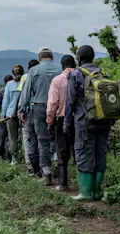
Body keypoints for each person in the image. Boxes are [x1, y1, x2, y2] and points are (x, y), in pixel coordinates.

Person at [65, 45, 114, 201]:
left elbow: (70, 101)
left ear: (78, 57)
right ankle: (97, 191)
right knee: (100, 153)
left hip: (84, 122)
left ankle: (85, 193)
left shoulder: (76, 74)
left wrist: (66, 121)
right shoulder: (102, 74)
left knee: (84, 153)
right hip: (104, 120)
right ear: (93, 57)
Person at [20, 48, 62, 185]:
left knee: (42, 140)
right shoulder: (60, 69)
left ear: (39, 58)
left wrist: (23, 110)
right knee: (57, 137)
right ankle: (58, 162)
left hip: (40, 106)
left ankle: (47, 173)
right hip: (59, 107)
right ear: (52, 56)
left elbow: (26, 94)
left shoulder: (34, 71)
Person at [47, 55, 77, 191]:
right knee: (80, 150)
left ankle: (63, 183)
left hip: (62, 119)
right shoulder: (82, 78)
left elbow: (53, 103)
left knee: (62, 151)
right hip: (80, 119)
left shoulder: (57, 80)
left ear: (62, 65)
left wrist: (50, 120)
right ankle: (84, 184)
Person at [17, 60, 40, 175]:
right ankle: (45, 166)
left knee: (28, 139)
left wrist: (20, 111)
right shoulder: (45, 75)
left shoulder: (27, 77)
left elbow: (23, 95)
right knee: (43, 139)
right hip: (44, 111)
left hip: (30, 113)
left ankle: (31, 166)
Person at [1, 65, 24, 165]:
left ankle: (14, 158)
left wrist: (3, 114)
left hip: (10, 114)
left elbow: (6, 101)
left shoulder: (9, 84)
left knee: (12, 137)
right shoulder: (25, 83)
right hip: (23, 113)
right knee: (24, 136)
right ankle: (26, 157)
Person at [0, 75, 13, 159]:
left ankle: (1, 155)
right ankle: (9, 156)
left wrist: (2, 111)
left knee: (0, 135)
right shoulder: (16, 89)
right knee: (10, 137)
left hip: (3, 116)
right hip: (13, 116)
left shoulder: (2, 90)